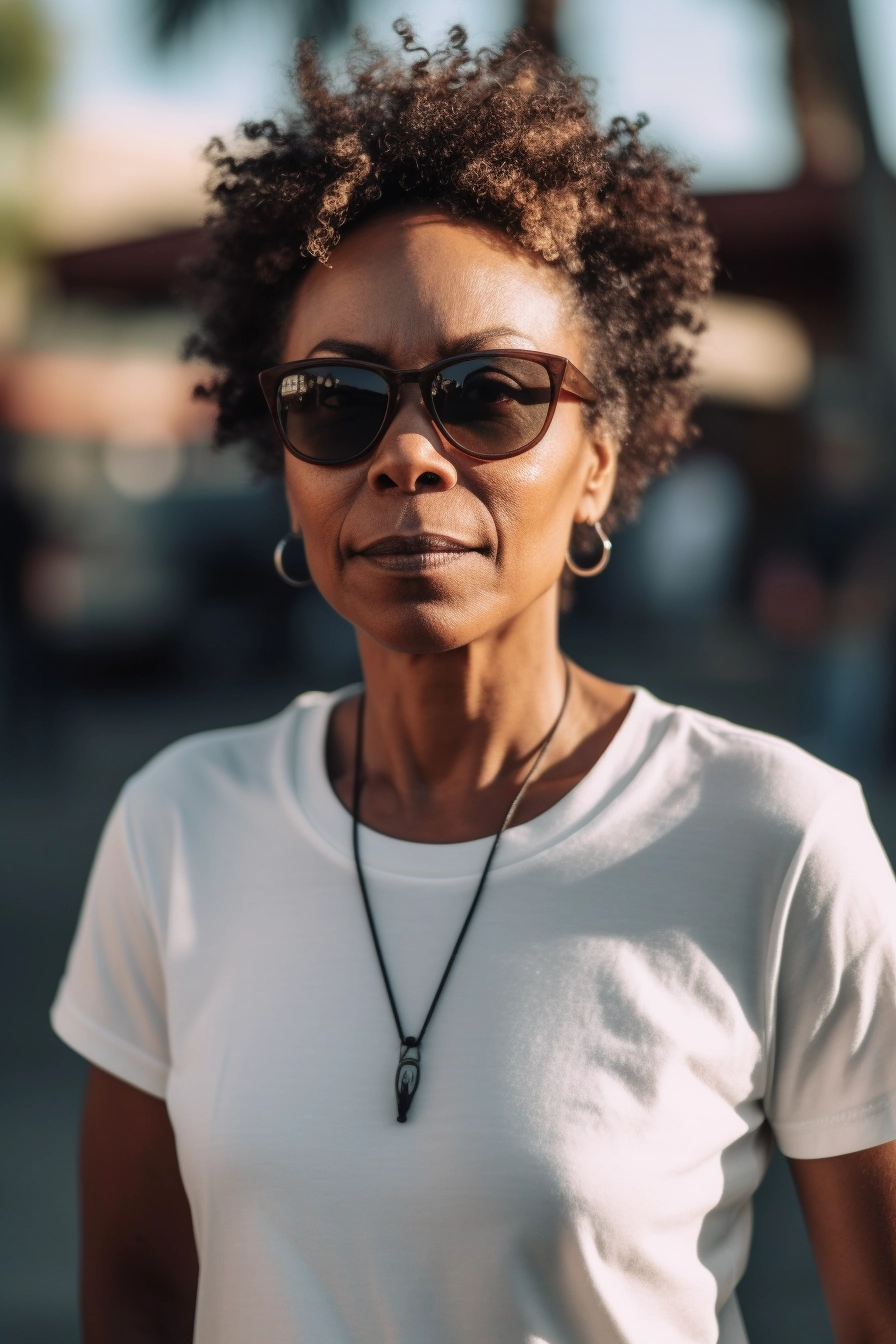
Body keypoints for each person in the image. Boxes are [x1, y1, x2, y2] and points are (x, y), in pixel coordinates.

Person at [51, 25, 896, 1344]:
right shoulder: (178, 827)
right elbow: (141, 1300)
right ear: (285, 459)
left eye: (488, 395)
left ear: (602, 462)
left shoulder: (778, 840)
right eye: (337, 401)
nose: (408, 458)